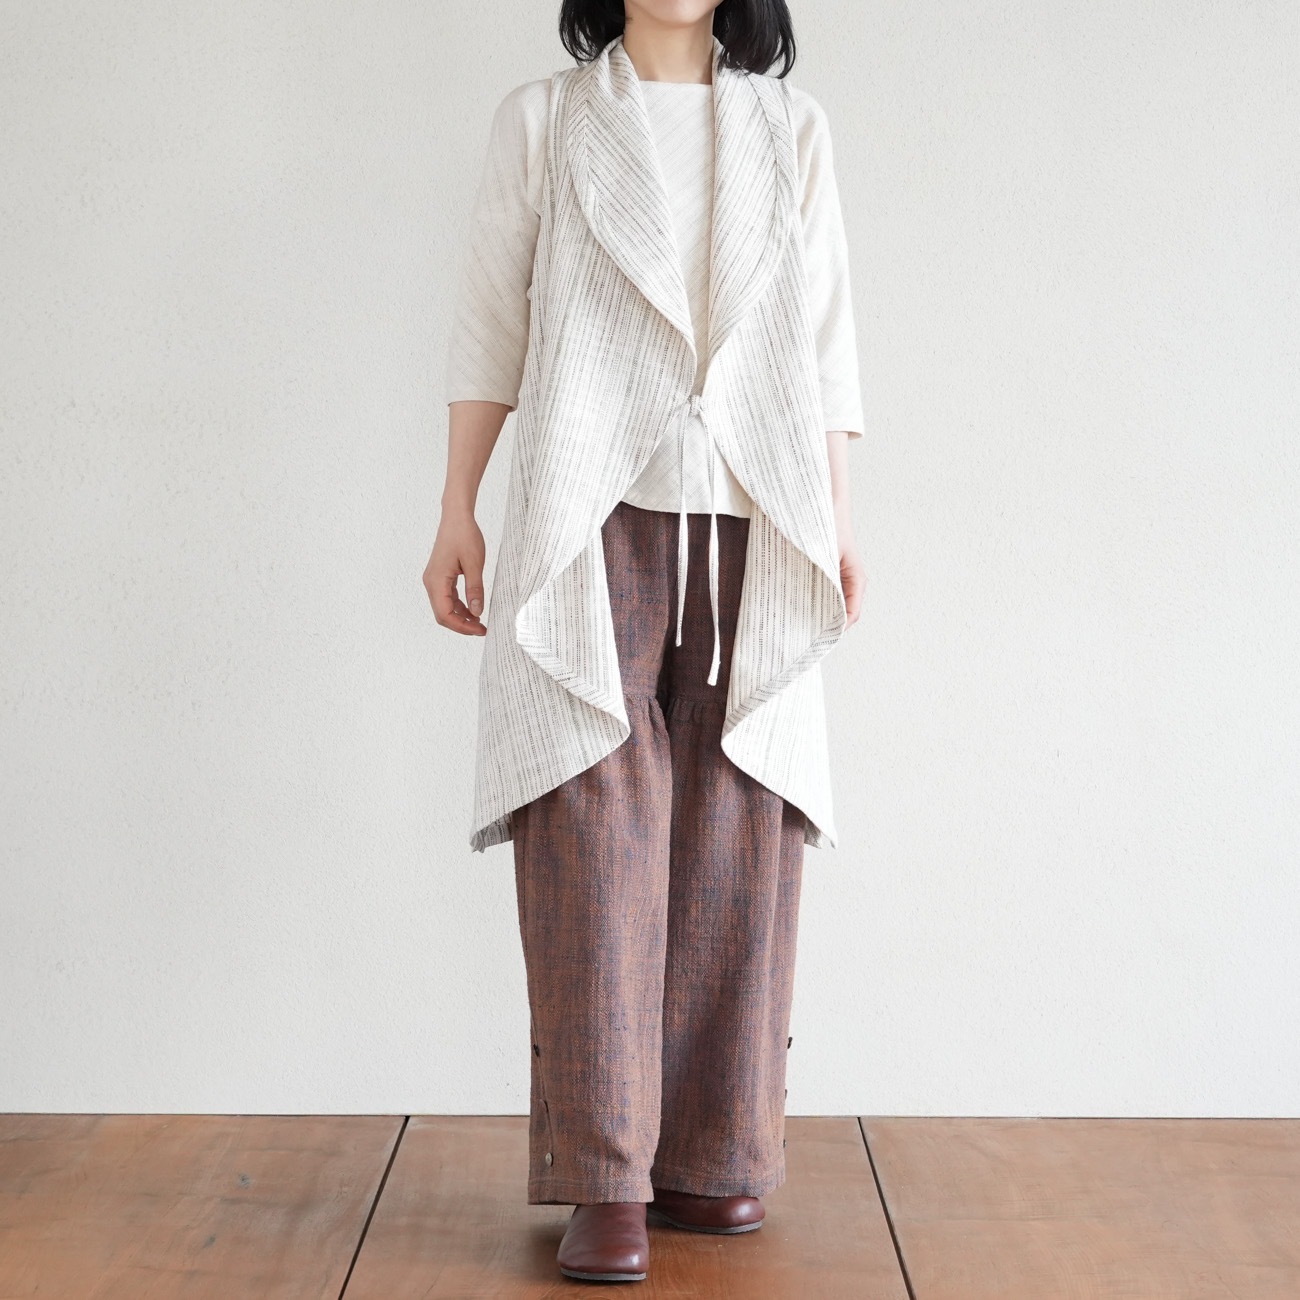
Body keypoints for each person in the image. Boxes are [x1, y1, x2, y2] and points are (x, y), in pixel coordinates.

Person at [423, 0, 866, 1284]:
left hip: (752, 511)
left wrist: (839, 524)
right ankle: (604, 1172)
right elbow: (489, 320)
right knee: (588, 824)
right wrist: (456, 506)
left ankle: (716, 1154)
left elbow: (825, 340)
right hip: (586, 508)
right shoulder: (546, 122)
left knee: (742, 818)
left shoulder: (791, 129)